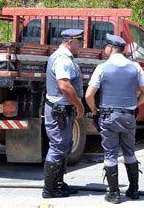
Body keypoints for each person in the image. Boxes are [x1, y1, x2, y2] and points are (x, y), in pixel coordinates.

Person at [85, 34, 144, 204]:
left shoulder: (102, 68)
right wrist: (135, 104)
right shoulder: (135, 67)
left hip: (108, 117)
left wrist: (94, 110)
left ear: (110, 48)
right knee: (130, 152)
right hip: (129, 116)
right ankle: (134, 190)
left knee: (110, 154)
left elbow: (89, 95)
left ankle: (114, 194)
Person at [42, 29, 85, 198]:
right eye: (78, 42)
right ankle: (50, 189)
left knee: (64, 146)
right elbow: (65, 86)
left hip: (62, 110)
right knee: (58, 147)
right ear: (70, 42)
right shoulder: (62, 60)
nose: (80, 46)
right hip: (59, 110)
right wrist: (79, 105)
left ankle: (58, 184)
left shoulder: (64, 58)